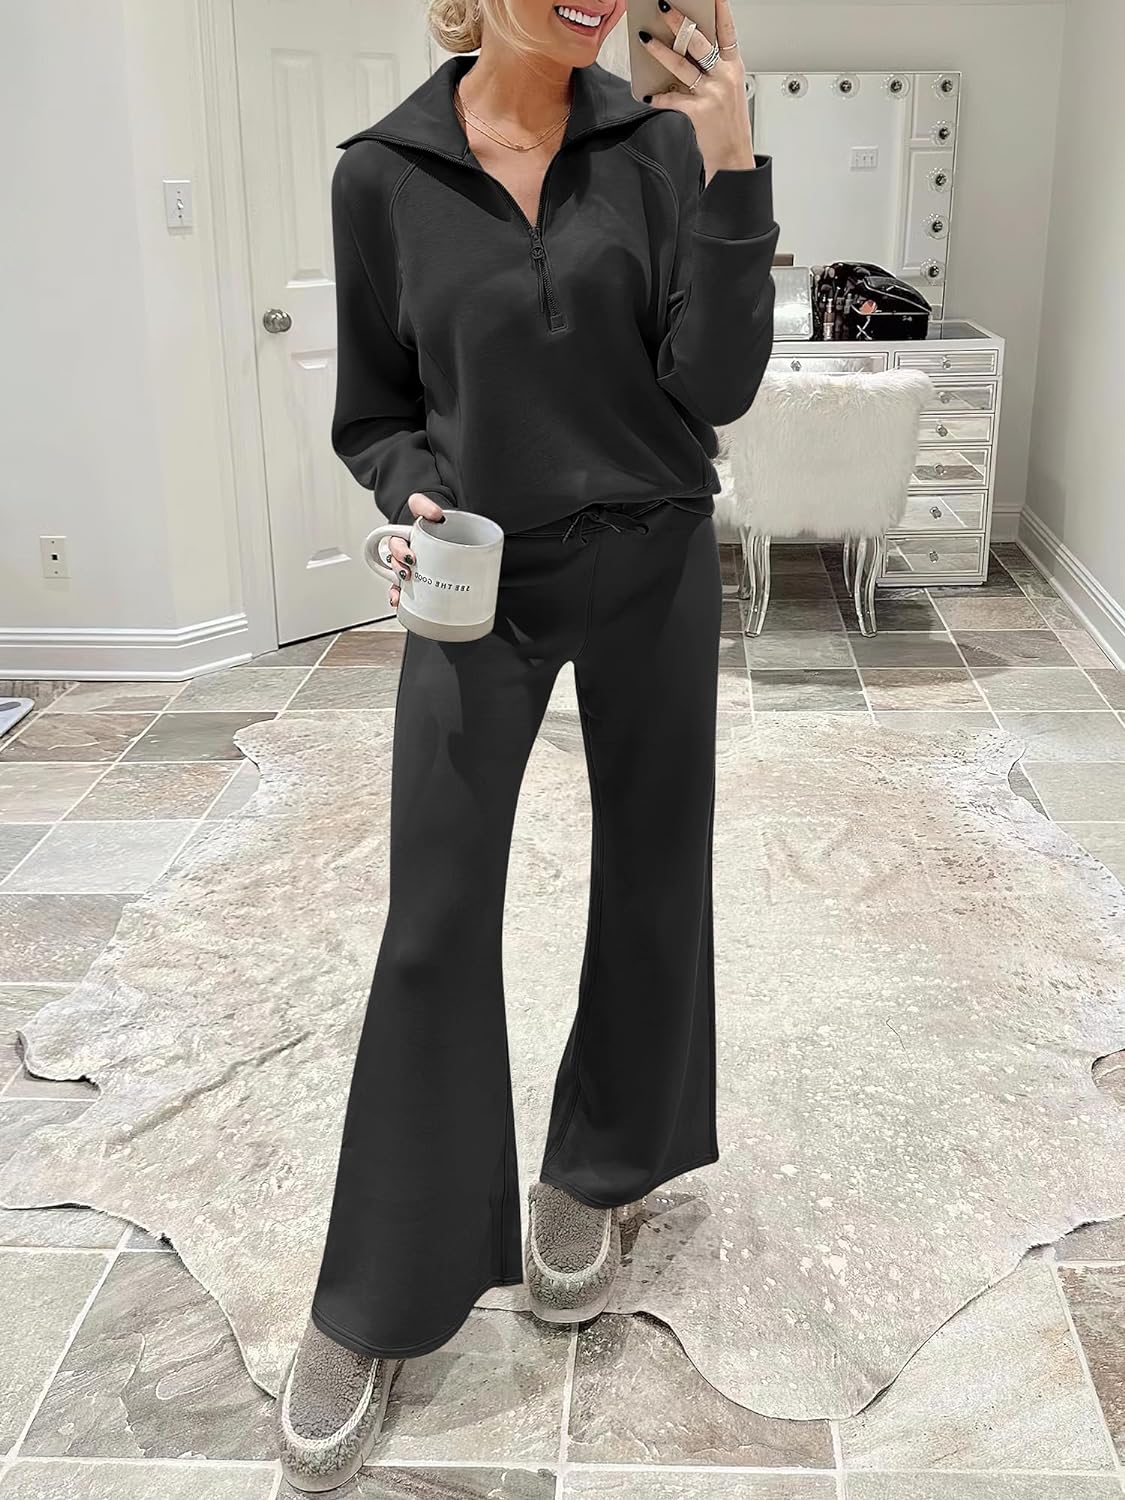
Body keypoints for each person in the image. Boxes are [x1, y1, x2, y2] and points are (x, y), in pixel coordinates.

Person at [276, 0, 778, 1488]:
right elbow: (375, 413)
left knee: (653, 870)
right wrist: (408, 493)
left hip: (654, 554)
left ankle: (604, 1163)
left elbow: (717, 389)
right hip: (478, 577)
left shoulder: (658, 148)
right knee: (433, 917)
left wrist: (731, 164)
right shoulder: (382, 175)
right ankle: (381, 1294)